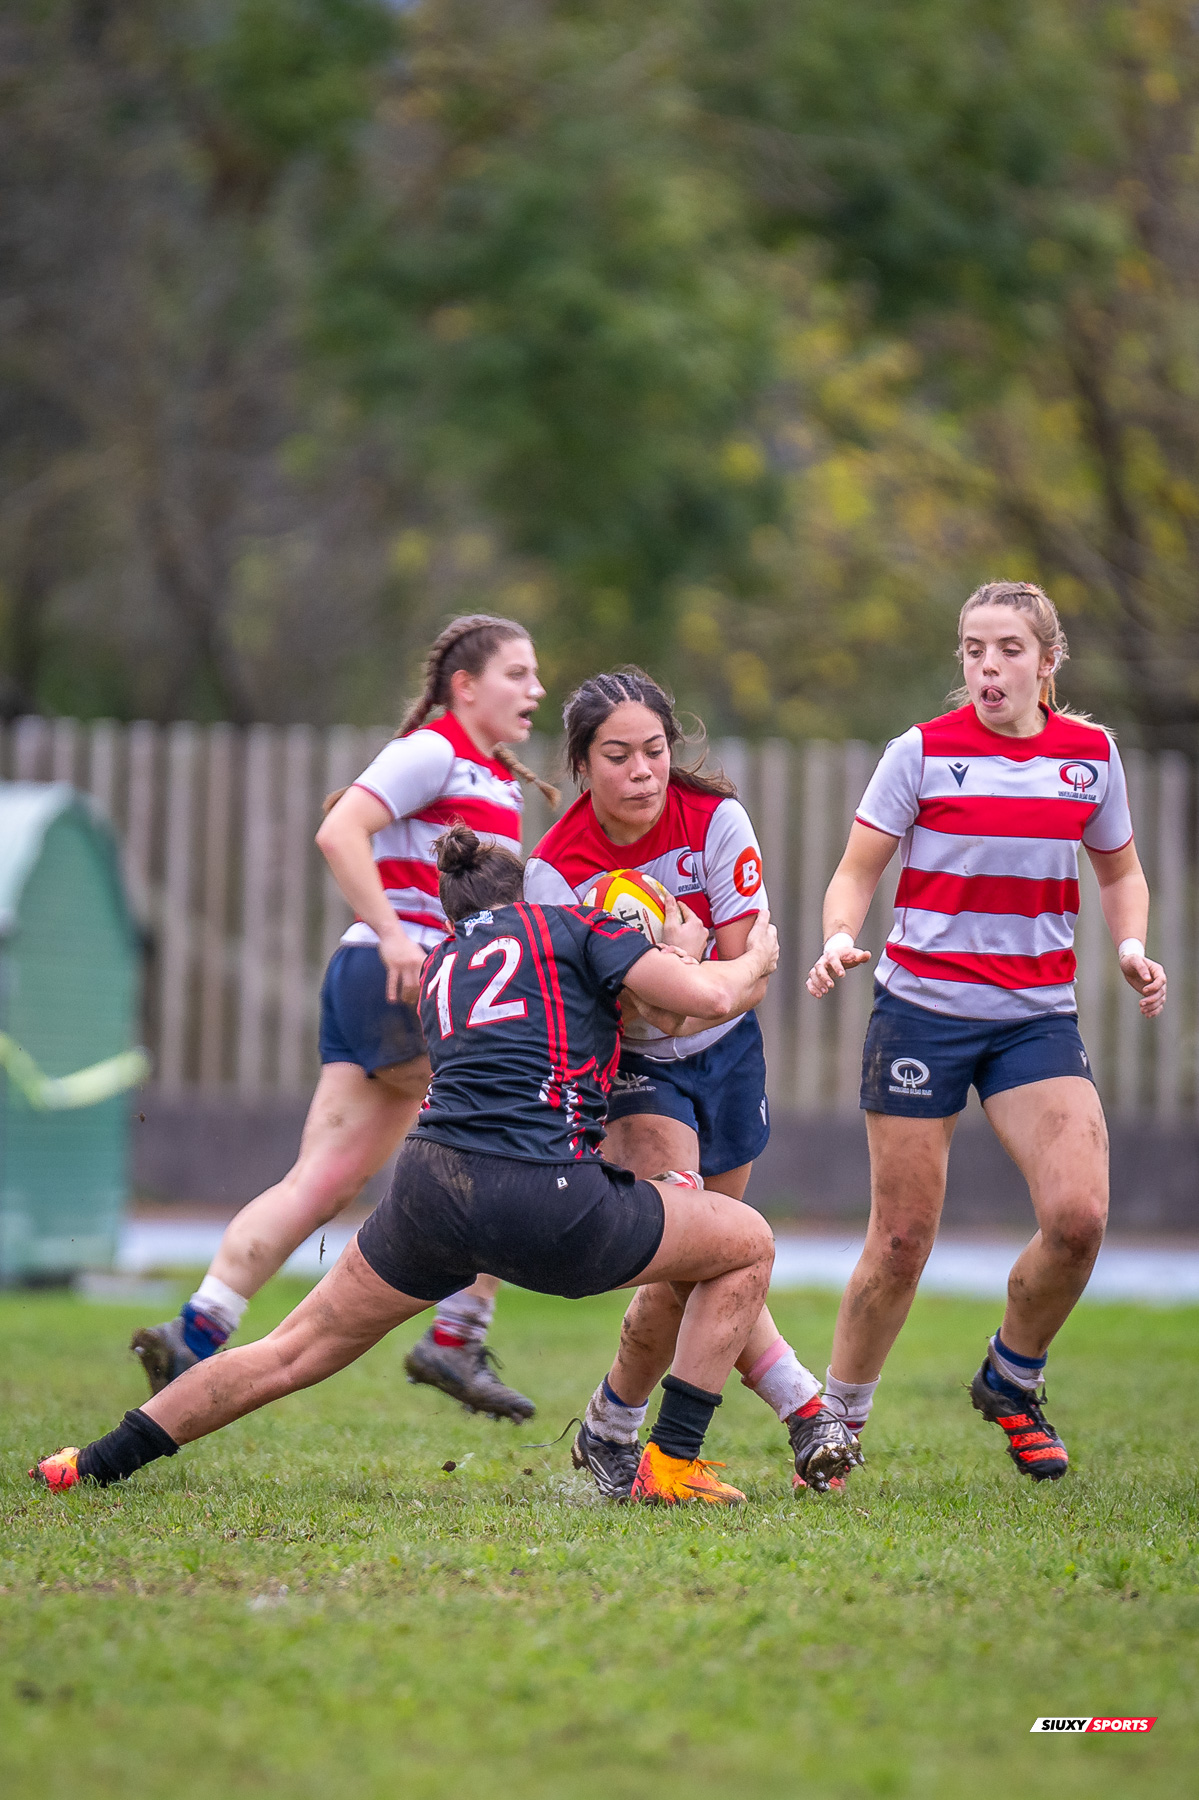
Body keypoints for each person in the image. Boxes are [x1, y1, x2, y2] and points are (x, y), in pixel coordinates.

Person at [34, 826, 782, 1507]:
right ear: (527, 893)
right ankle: (674, 1461)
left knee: (287, 1352)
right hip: (543, 1197)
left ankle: (89, 1462)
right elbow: (708, 998)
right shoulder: (571, 924)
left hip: (430, 1189)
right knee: (744, 1240)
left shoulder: (440, 966)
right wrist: (748, 956)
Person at [130, 614, 556, 1425]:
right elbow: (339, 831)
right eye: (518, 673)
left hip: (368, 975)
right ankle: (456, 1337)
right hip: (407, 978)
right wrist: (400, 936)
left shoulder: (490, 775)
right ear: (465, 686)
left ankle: (195, 1328)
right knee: (520, 1123)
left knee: (321, 1181)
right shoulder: (437, 751)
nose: (535, 690)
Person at [806, 580, 1167, 1481]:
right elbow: (854, 871)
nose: (986, 667)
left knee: (1079, 1218)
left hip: (1033, 1018)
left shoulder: (1090, 756)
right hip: (920, 1012)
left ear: (1047, 663)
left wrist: (1130, 946)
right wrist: (839, 937)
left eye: (1007, 649)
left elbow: (1120, 874)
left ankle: (1012, 1375)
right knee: (900, 1239)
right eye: (972, 649)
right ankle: (835, 1420)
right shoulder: (920, 753)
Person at [524, 669, 862, 1498]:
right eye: (617, 756)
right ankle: (802, 1411)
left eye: (654, 751)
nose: (641, 771)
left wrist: (677, 987)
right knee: (711, 1240)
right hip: (631, 1070)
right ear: (580, 766)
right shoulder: (554, 871)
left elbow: (749, 964)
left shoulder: (715, 819)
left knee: (700, 1270)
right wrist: (689, 973)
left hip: (728, 1054)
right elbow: (648, 999)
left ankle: (607, 1430)